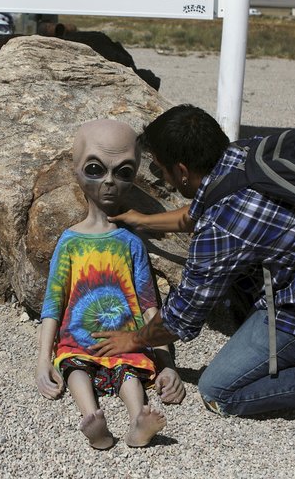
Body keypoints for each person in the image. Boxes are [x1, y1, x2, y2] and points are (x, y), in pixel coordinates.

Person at [94, 104, 295, 431]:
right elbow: (197, 212)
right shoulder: (242, 154)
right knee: (237, 290)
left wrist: (132, 340)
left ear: (183, 170)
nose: (164, 180)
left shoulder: (222, 227)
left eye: (162, 171)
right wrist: (144, 220)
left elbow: (183, 316)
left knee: (219, 390)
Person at [35, 119, 185, 450]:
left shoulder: (131, 242)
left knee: (130, 371)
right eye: (95, 169)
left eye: (123, 172)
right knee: (75, 367)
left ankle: (137, 421)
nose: (109, 182)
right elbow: (53, 301)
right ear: (75, 169)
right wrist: (43, 359)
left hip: (126, 339)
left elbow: (149, 305)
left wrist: (167, 364)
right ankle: (93, 419)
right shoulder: (70, 240)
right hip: (78, 338)